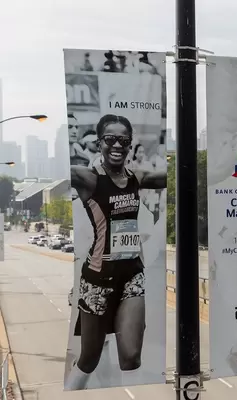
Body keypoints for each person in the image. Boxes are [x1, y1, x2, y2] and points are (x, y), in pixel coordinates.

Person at [64, 114, 167, 390]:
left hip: (131, 274)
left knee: (132, 357)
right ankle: (73, 390)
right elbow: (62, 170)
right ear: (100, 144)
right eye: (110, 139)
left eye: (124, 140)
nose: (117, 145)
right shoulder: (89, 179)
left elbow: (177, 173)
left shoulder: (137, 177)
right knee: (89, 358)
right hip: (97, 279)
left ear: (130, 144)